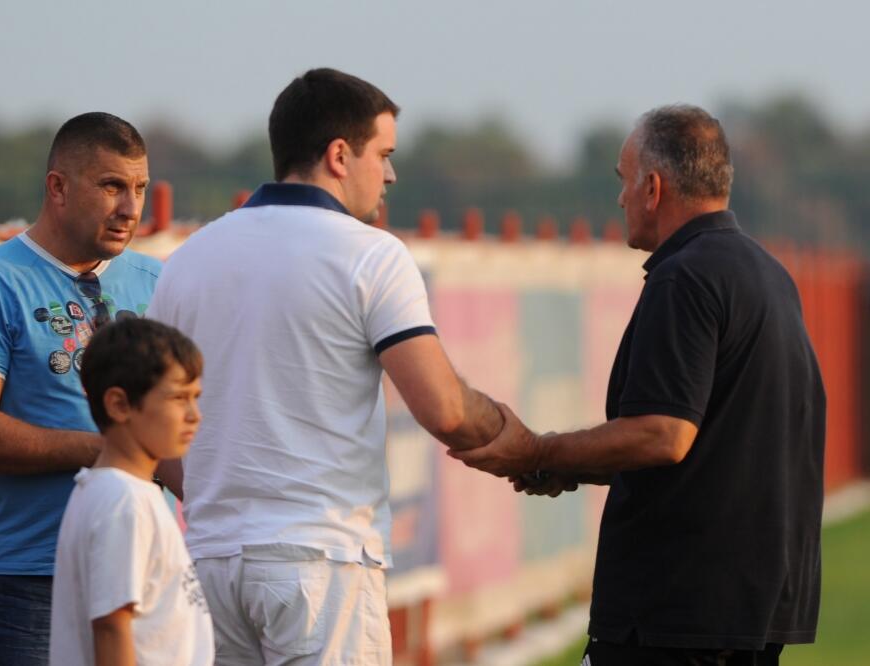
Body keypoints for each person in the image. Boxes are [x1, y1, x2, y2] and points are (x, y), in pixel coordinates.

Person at [148, 67, 505, 665]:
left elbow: (152, 433)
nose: (390, 174)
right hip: (322, 566)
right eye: (383, 154)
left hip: (209, 562)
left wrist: (218, 490)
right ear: (340, 155)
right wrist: (527, 447)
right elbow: (445, 409)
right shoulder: (373, 254)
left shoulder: (189, 258)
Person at [450, 105, 825, 665]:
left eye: (624, 181)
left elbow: (664, 434)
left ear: (653, 187)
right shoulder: (768, 274)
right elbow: (706, 446)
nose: (620, 197)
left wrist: (536, 449)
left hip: (675, 617)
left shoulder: (686, 276)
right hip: (750, 614)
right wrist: (561, 466)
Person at [0, 112, 161, 665]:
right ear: (57, 187)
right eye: (111, 187)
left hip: (145, 568)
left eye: (139, 188)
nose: (130, 208)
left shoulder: (158, 281)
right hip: (32, 579)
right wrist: (107, 452)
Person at [49, 318, 214, 666]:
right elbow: (112, 627)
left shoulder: (118, 491)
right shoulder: (122, 501)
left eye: (196, 398)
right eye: (178, 398)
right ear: (119, 405)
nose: (194, 415)